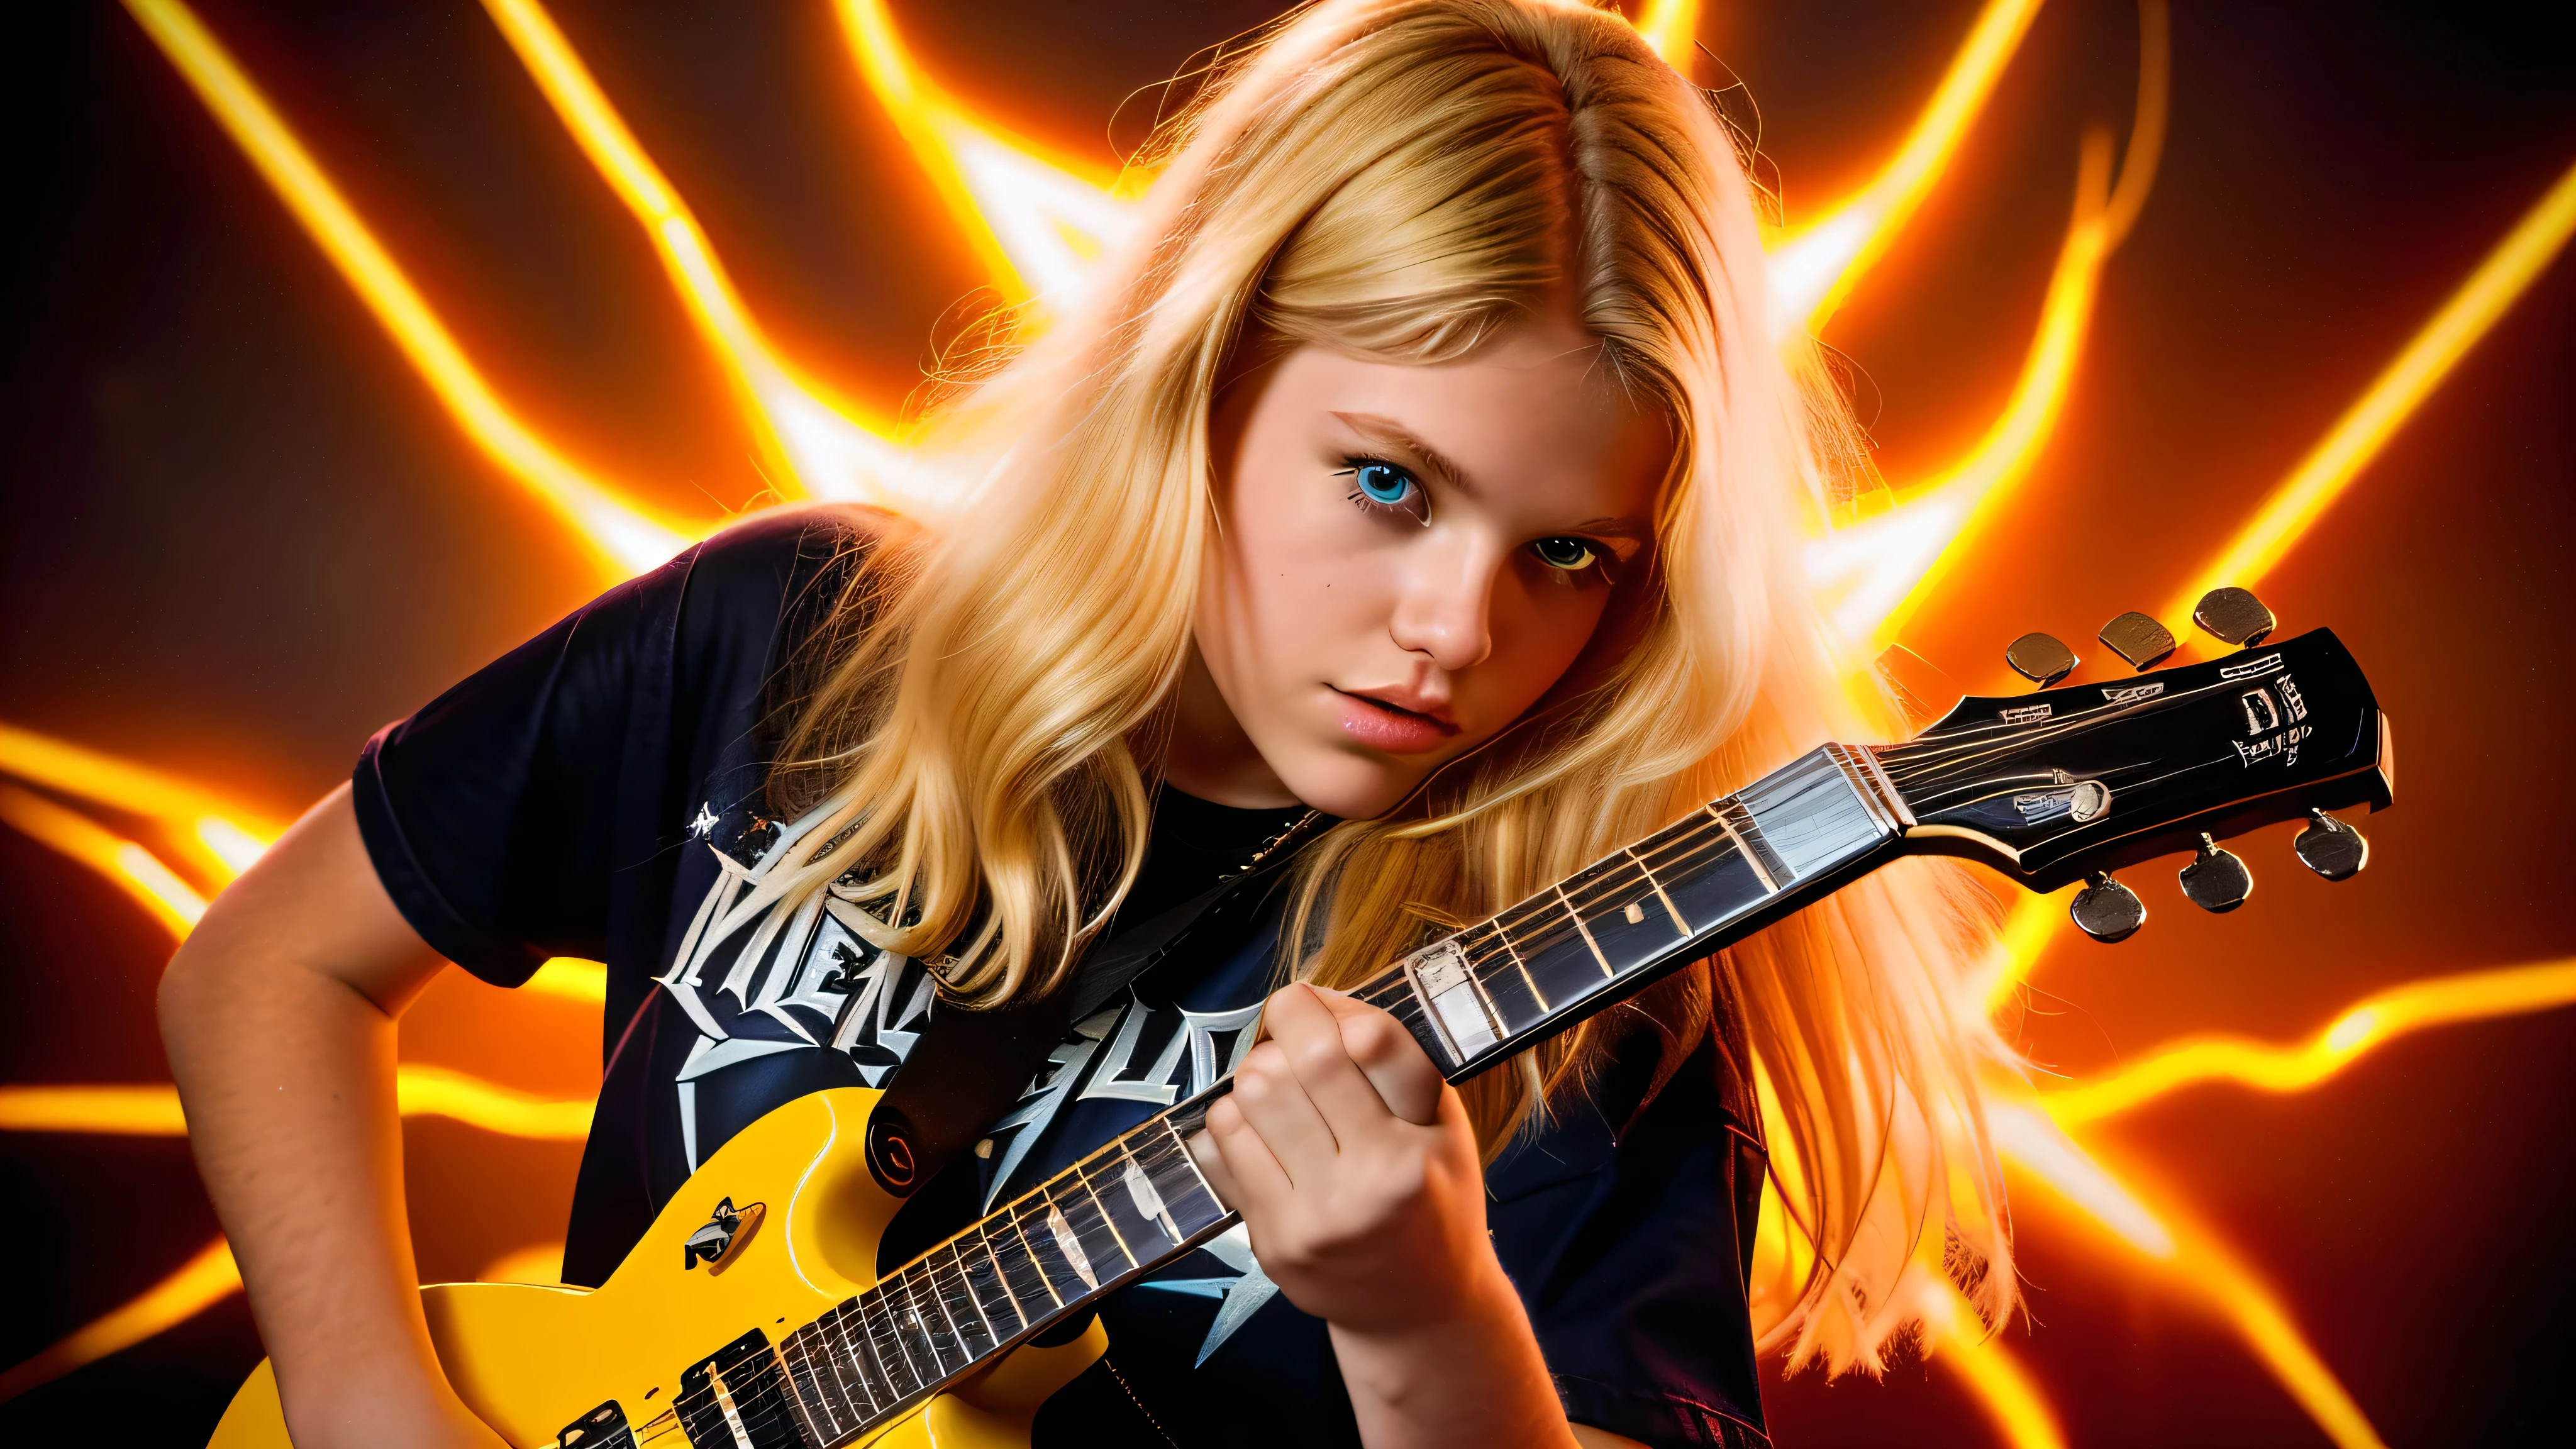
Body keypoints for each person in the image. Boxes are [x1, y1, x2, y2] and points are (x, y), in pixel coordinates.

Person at [159, 2, 2019, 1446]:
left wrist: (1423, 1314)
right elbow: (266, 967)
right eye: (1387, 484)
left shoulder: (1595, 990)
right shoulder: (797, 639)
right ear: (1198, 381)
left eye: (1571, 552)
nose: (1457, 630)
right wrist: (369, 1407)